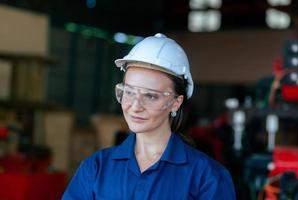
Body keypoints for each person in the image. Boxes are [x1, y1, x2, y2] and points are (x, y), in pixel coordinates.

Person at [62, 33, 236, 200]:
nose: (135, 106)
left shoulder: (207, 177)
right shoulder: (96, 168)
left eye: (150, 96)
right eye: (129, 92)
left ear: (176, 102)